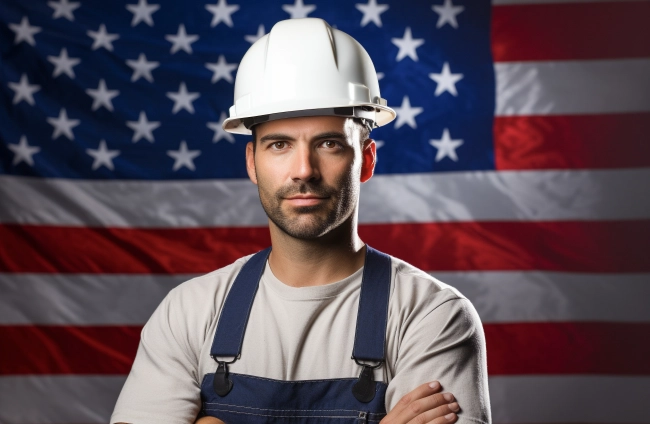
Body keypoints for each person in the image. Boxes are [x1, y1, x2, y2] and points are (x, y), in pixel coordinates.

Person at [111, 18, 490, 424]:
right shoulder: (189, 312)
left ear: (367, 160)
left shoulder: (431, 315)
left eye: (329, 143)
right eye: (279, 144)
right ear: (252, 163)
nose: (304, 170)